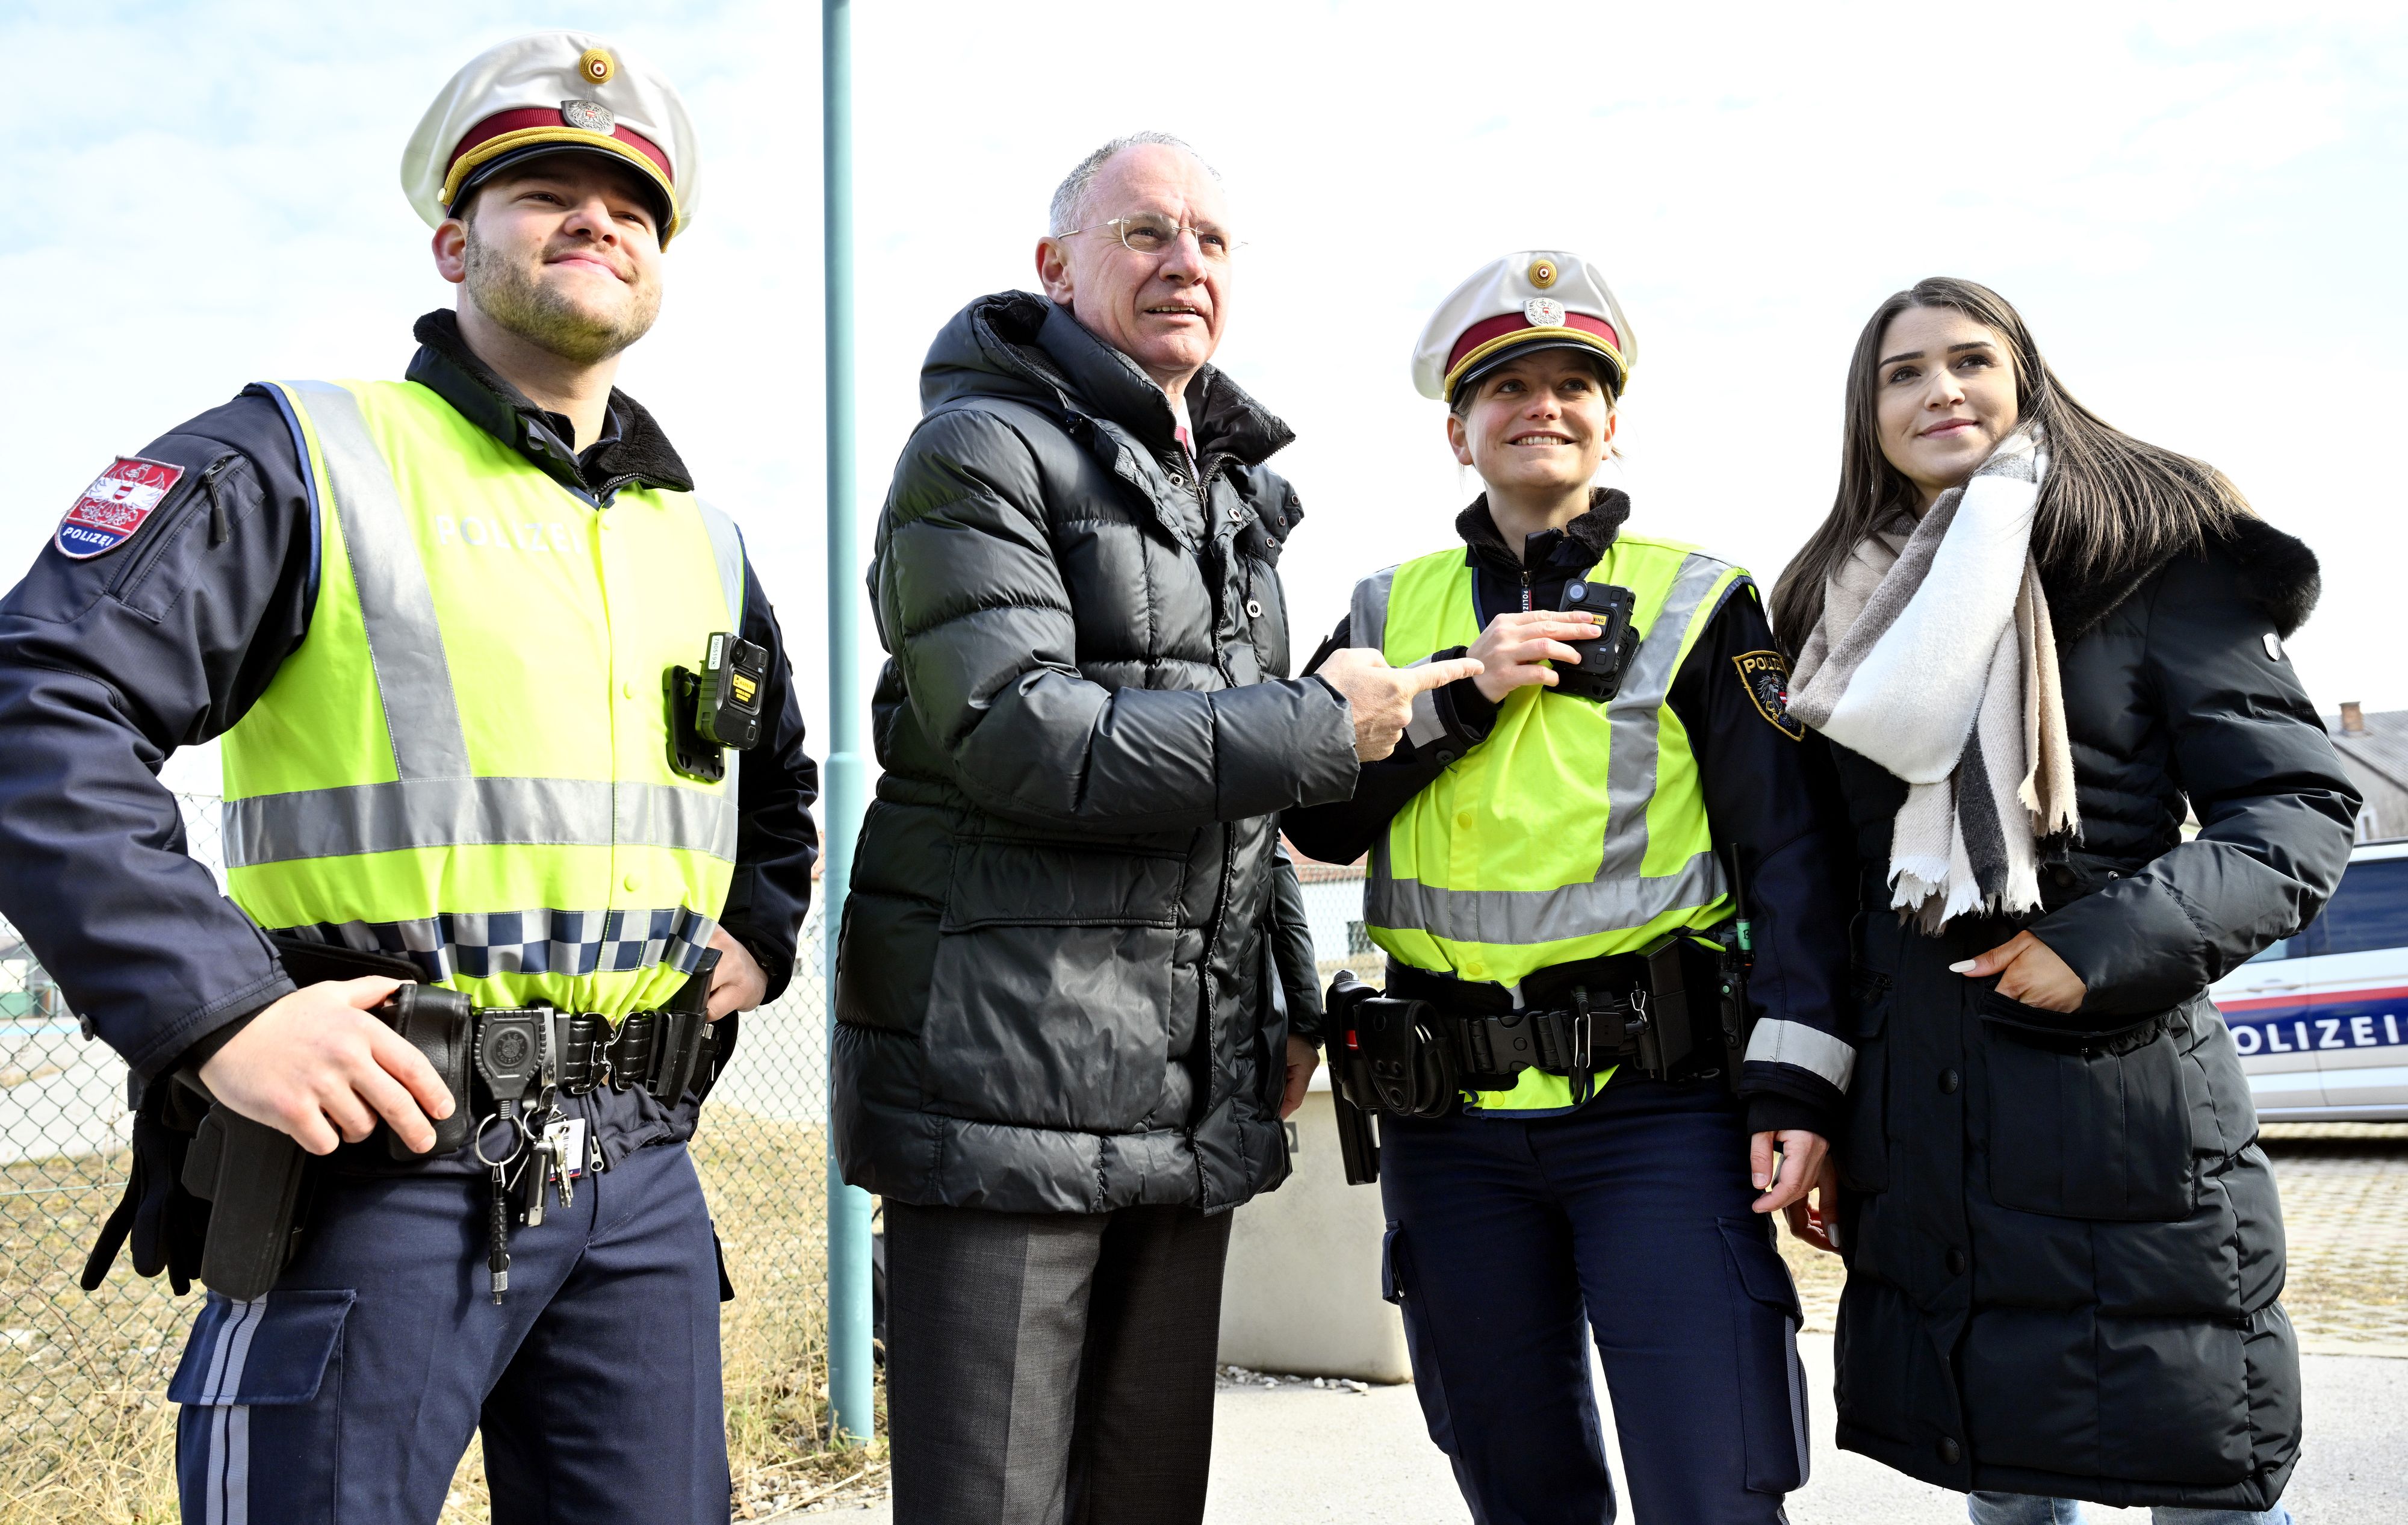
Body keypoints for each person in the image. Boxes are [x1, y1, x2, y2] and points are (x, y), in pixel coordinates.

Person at [0, 33, 820, 1523]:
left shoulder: (700, 543)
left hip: (639, 1174)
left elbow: (775, 782)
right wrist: (221, 1012)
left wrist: (760, 930)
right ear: (454, 244)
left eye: (631, 207)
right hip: (379, 1156)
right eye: (544, 192)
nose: (596, 220)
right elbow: (39, 704)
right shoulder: (305, 457)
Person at [832, 131, 1471, 1525]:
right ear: (1054, 268)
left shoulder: (1226, 495)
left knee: (1146, 1499)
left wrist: (1284, 990)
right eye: (1144, 232)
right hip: (1007, 1086)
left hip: (1187, 1091)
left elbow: (1238, 799)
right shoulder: (976, 450)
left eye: (1210, 240)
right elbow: (1019, 732)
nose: (1185, 260)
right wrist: (1318, 724)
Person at [1282, 252, 1857, 1524]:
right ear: (1457, 432)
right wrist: (1462, 699)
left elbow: (1793, 862)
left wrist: (1798, 1088)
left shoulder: (1700, 597)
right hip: (1448, 1127)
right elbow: (1314, 813)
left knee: (1712, 1491)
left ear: (1611, 421)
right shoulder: (1386, 609)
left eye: (1571, 385)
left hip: (1658, 1118)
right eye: (1506, 387)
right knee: (1521, 1490)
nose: (1540, 405)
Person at [1769, 276, 2356, 1524]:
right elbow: (1819, 887)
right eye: (1902, 373)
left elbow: (2296, 812)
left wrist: (2095, 946)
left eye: (1969, 360)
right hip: (1922, 1127)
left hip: (2121, 1110)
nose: (1939, 390)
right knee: (2008, 1482)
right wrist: (1813, 1101)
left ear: (2024, 380)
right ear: (1867, 415)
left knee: (2204, 1475)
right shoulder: (1829, 608)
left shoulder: (2149, 558)